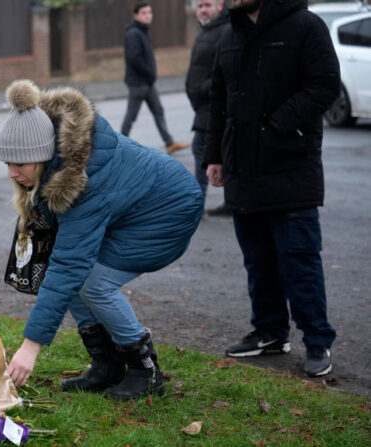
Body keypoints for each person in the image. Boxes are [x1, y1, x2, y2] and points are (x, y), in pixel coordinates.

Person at [0, 79, 203, 400]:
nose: (11, 172)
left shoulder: (81, 182)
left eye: (19, 164)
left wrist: (30, 346)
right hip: (134, 207)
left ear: (42, 156)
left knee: (92, 281)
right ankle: (106, 364)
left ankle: (145, 370)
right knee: (77, 276)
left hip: (167, 212)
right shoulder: (54, 160)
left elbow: (69, 265)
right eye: (7, 163)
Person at [205, 0, 339, 377]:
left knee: (298, 259)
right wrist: (214, 155)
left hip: (289, 165)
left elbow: (325, 84)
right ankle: (269, 332)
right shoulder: (228, 34)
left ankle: (317, 340)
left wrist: (278, 125)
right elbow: (218, 97)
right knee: (258, 259)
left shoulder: (305, 25)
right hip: (242, 169)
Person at [120, 2, 188, 154]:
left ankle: (169, 142)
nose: (148, 16)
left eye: (149, 12)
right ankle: (119, 145)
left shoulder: (142, 31)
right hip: (138, 83)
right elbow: (134, 59)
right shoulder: (134, 33)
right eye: (144, 13)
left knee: (158, 111)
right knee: (131, 116)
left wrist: (150, 77)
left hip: (147, 83)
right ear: (136, 15)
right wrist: (150, 74)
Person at [185, 0, 231, 217]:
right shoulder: (207, 30)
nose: (203, 10)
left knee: (201, 150)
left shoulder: (224, 31)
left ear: (220, 5)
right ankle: (230, 202)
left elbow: (225, 70)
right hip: (203, 106)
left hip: (211, 105)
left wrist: (203, 89)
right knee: (212, 152)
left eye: (207, 5)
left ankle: (197, 205)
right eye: (200, 5)